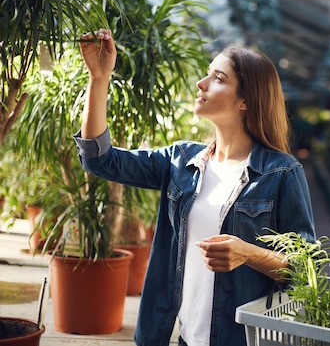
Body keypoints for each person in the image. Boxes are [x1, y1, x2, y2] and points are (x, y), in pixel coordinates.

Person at [74, 28, 316, 346]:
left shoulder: (281, 172)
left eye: (217, 78)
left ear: (246, 101)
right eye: (206, 74)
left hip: (240, 339)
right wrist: (99, 77)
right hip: (182, 337)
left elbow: (307, 271)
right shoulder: (180, 161)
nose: (200, 84)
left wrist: (248, 253)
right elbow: (100, 160)